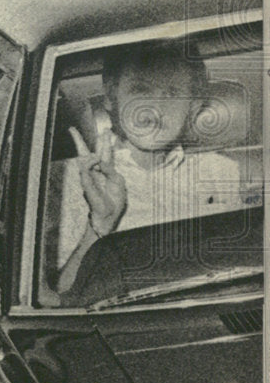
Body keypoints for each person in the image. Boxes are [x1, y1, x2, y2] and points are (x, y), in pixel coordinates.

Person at [44, 42, 245, 305]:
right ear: (111, 98)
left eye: (172, 94)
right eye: (140, 90)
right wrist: (99, 227)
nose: (153, 108)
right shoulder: (65, 178)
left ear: (194, 107)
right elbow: (59, 302)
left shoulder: (221, 172)